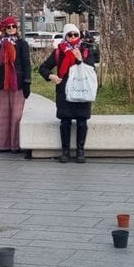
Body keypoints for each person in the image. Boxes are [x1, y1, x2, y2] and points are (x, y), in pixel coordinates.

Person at [39, 23, 94, 163]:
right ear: (65, 36)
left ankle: (80, 151)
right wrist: (52, 77)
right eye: (70, 35)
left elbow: (91, 68)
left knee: (82, 121)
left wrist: (80, 59)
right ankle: (65, 151)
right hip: (64, 90)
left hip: (81, 88)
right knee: (65, 121)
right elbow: (43, 68)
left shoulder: (86, 49)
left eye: (76, 34)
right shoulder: (59, 51)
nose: (73, 37)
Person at [0, 16, 30, 154]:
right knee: (3, 115)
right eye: (8, 27)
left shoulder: (22, 44)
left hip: (18, 83)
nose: (11, 29)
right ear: (4, 29)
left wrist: (27, 81)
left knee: (16, 115)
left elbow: (27, 63)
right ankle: (3, 144)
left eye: (13, 27)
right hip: (2, 83)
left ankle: (15, 145)